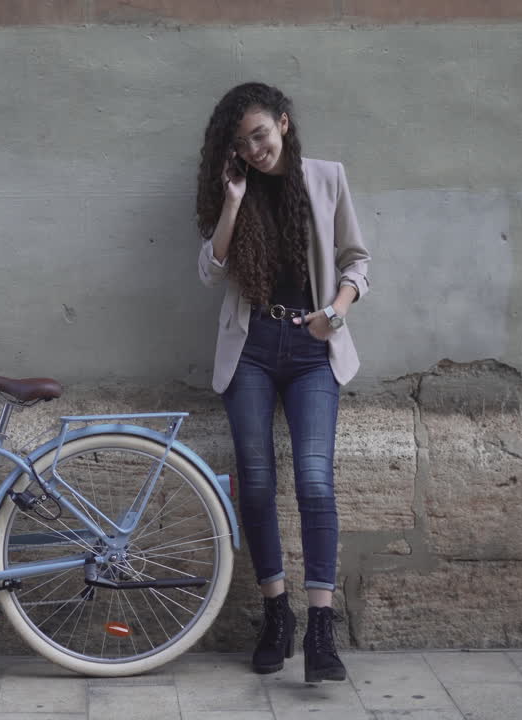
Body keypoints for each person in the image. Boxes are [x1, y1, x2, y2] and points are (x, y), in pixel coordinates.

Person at [195, 82, 370, 683]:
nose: (255, 149)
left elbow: (357, 260)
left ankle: (321, 627)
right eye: (243, 143)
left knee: (316, 481)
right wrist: (233, 200)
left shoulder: (327, 177)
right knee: (258, 482)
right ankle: (276, 615)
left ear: (285, 125)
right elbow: (210, 270)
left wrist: (338, 312)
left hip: (312, 347)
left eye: (261, 134)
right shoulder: (237, 188)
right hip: (251, 349)